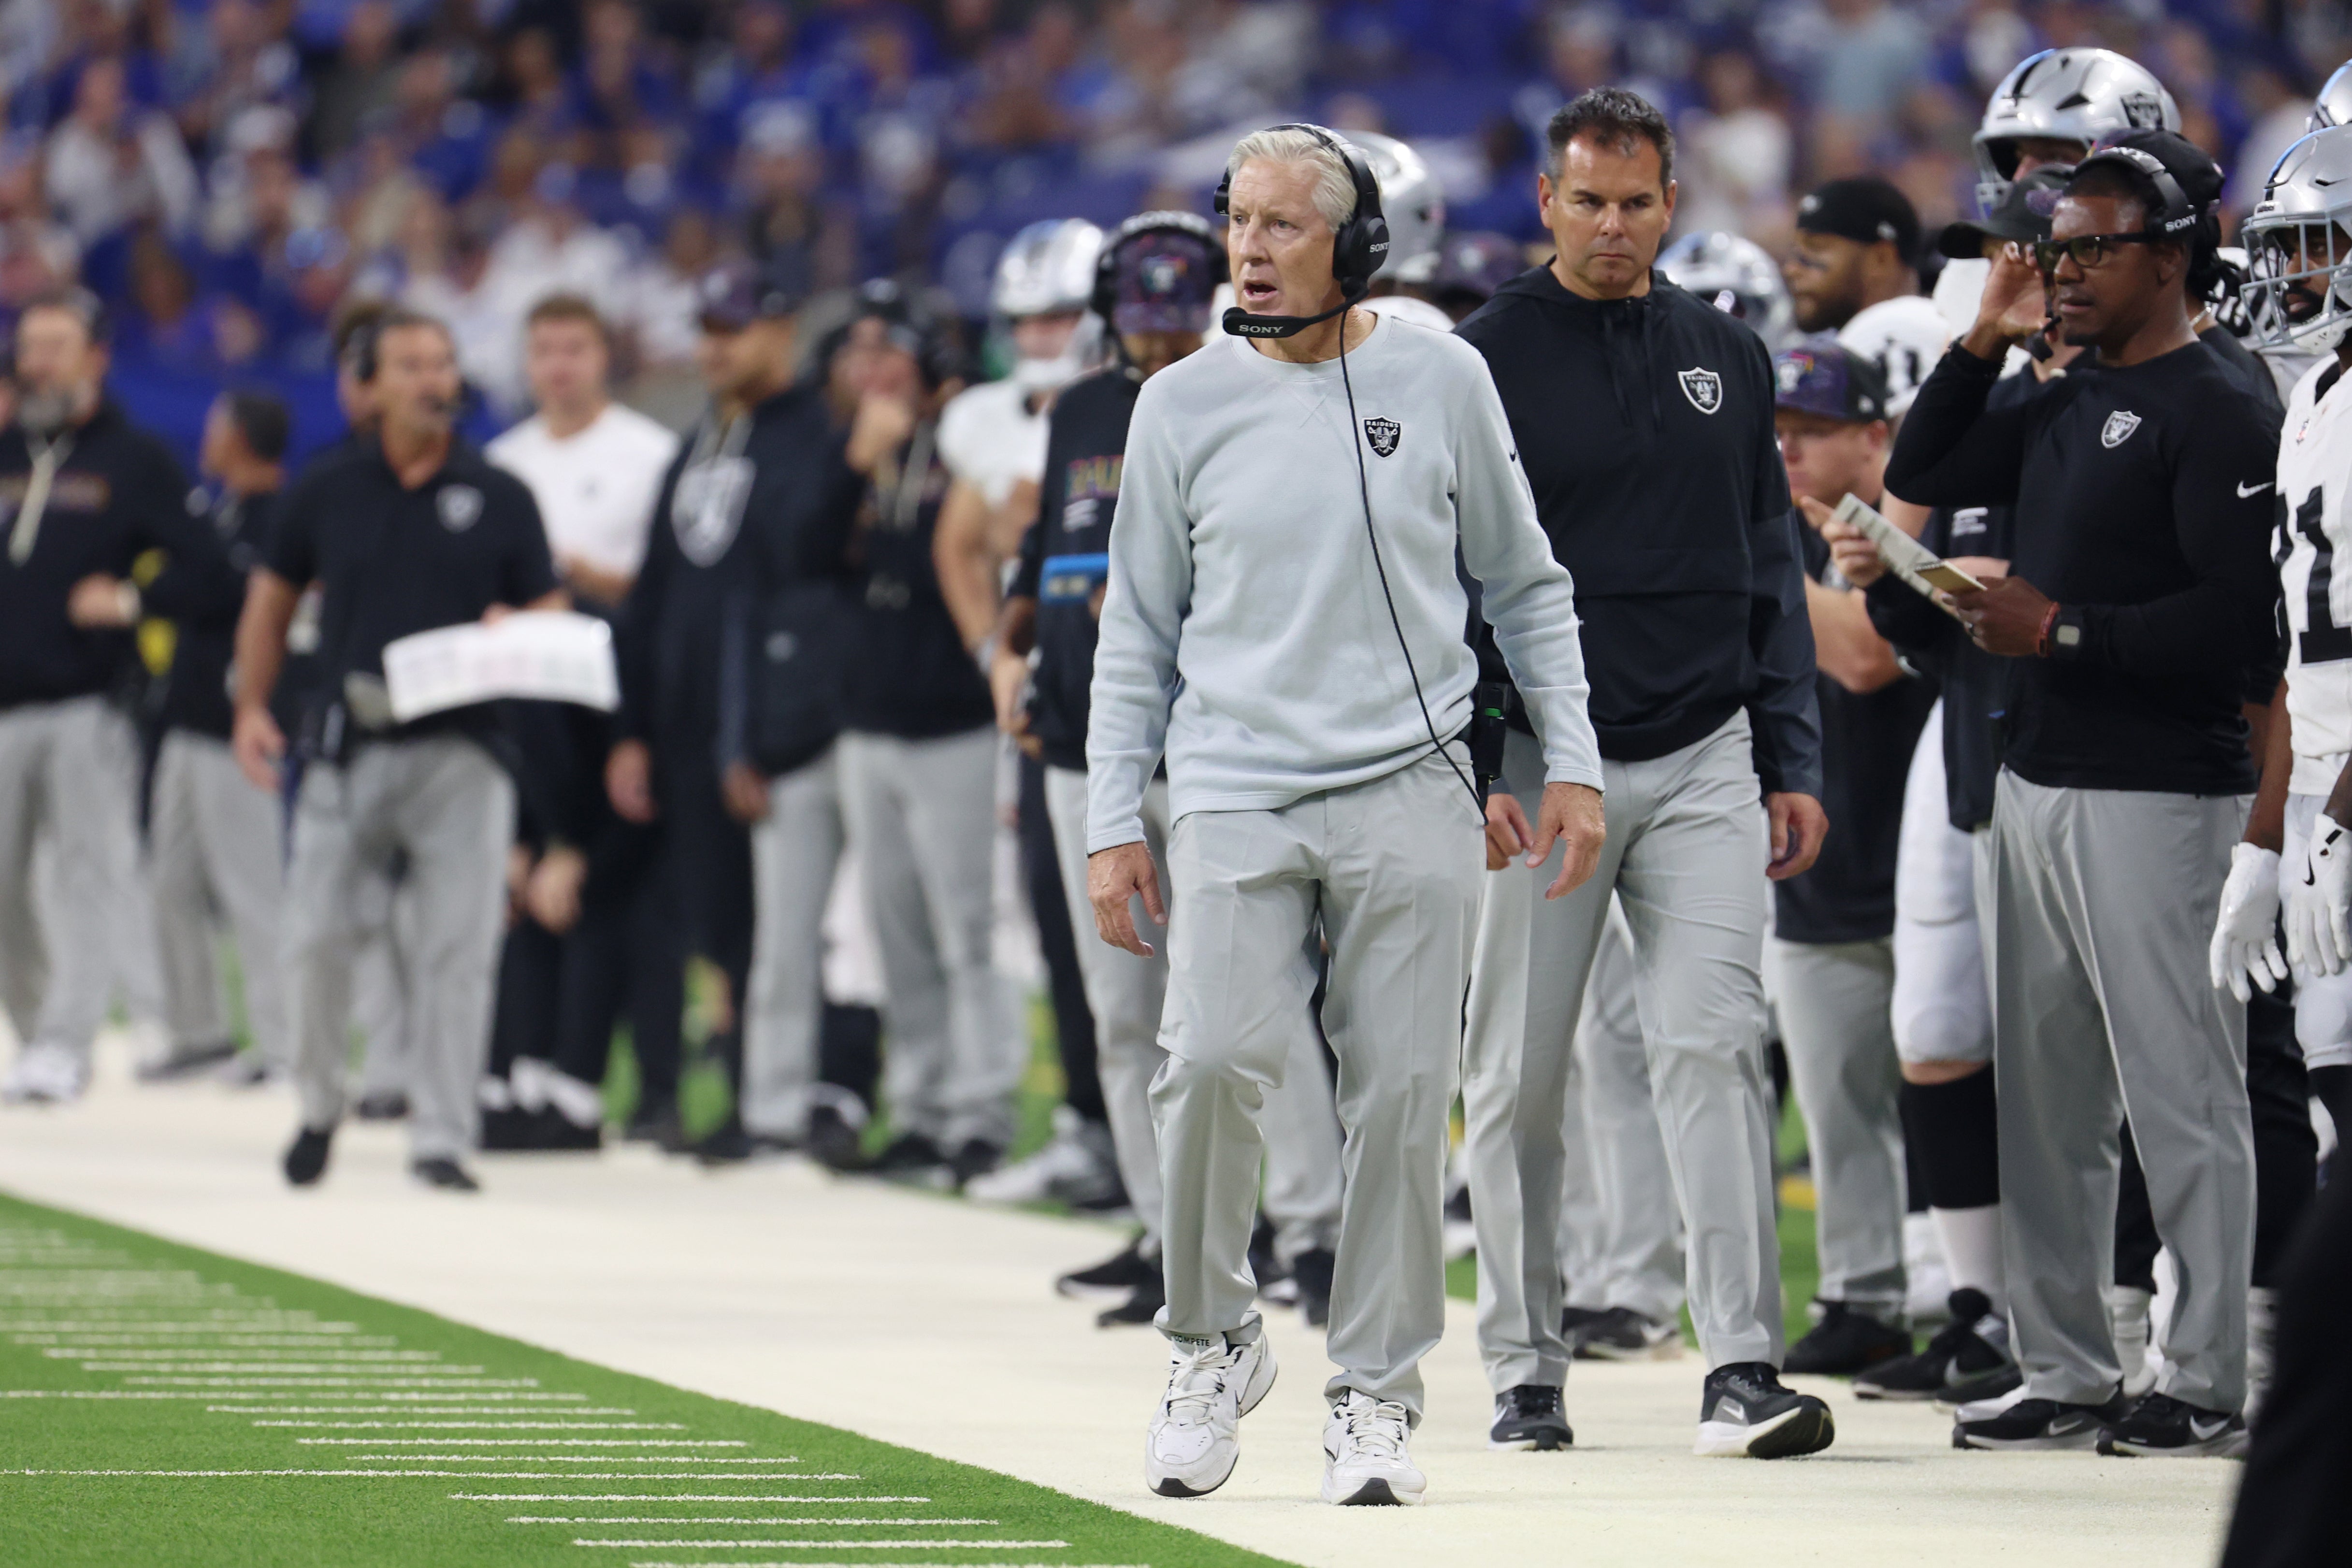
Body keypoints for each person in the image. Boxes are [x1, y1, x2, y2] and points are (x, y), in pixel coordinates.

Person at [1088, 121, 1602, 1507]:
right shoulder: (1178, 405)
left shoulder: (1442, 375)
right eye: (1237, 222)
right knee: (1205, 1061)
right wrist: (1110, 820)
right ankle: (1209, 1341)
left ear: (1355, 243)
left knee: (1402, 1095)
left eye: (1282, 226)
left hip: (1412, 778)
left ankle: (1375, 1394)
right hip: (1234, 778)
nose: (1248, 251)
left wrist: (1571, 758)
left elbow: (1524, 583)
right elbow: (1134, 633)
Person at [1455, 87, 1831, 1461]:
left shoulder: (1727, 354)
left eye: (1634, 203)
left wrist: (1789, 751)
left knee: (1714, 1046)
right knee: (1517, 1077)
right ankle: (1524, 1367)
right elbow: (1441, 579)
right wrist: (1472, 759)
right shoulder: (1478, 358)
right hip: (1540, 759)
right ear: (1546, 203)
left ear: (1671, 204)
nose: (1611, 226)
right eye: (1587, 202)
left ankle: (1740, 1364)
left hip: (1705, 747)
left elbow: (1767, 566)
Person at [1886, 144, 2279, 1456]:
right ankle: (2063, 1365)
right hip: (2036, 777)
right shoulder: (2066, 386)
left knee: (2182, 1094)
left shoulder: (2221, 404)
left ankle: (2206, 1375)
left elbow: (2238, 624)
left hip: (2161, 791)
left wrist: (2056, 629)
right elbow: (1926, 465)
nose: (2061, 272)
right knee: (2045, 1105)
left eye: (2090, 248)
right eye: (2052, 250)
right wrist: (1982, 340)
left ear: (2169, 257)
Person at [990, 210, 1344, 1330]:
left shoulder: (1257, 395)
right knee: (1121, 1008)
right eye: (1139, 323)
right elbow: (1046, 551)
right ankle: (1171, 1231)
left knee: (1255, 986)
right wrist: (1010, 650)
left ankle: (1313, 1228)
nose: (1155, 343)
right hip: (1081, 735)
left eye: (1171, 321)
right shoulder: (1081, 410)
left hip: (1210, 737)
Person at [1823, 168, 2079, 1407]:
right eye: (1993, 252)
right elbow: (1907, 553)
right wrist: (1902, 576)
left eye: (2026, 251)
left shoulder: (2148, 392)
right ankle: (1979, 1309)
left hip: (2094, 740)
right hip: (1974, 721)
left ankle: (2144, 1324)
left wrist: (2027, 595)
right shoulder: (1987, 388)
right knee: (1934, 1027)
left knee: (2095, 1062)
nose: (2003, 271)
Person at [234, 307, 563, 1193]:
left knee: (458, 950)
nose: (432, 380)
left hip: (465, 750)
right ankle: (317, 1103)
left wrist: (519, 627)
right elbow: (271, 601)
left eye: (443, 364)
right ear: (369, 386)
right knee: (311, 938)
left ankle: (442, 1136)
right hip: (352, 742)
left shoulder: (499, 492)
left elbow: (551, 610)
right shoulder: (328, 486)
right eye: (411, 365)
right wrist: (252, 706)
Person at [0, 288, 239, 1107]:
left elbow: (211, 571)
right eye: (29, 347)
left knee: (88, 879)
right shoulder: (9, 450)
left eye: (56, 347)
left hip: (89, 702)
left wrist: (136, 600)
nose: (38, 364)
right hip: (4, 704)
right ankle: (38, 1036)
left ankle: (66, 1044)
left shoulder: (134, 459)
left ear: (96, 358)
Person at [931, 217, 1125, 1210]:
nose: (1041, 335)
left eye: (1058, 314)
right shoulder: (989, 420)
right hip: (1055, 696)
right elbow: (960, 543)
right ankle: (1095, 1131)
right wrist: (993, 657)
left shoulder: (1150, 398)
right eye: (1026, 320)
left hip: (1157, 704)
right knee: (1061, 925)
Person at [659, 263, 866, 1165]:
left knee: (838, 929)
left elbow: (792, 570)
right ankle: (767, 1095)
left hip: (820, 712)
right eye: (706, 329)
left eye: (734, 328)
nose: (715, 347)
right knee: (742, 928)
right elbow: (679, 589)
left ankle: (841, 1095)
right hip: (728, 720)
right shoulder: (700, 440)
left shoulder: (818, 432)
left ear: (782, 332)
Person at [1766, 339, 1937, 1374]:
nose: (1789, 449)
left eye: (1814, 430)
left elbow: (1869, 656)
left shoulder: (1906, 530)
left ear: (1874, 436)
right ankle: (1862, 1294)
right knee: (1835, 1106)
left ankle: (1974, 1302)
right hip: (1818, 861)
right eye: (1779, 430)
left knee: (1951, 1098)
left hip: (1922, 862)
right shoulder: (1783, 535)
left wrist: (1761, 574)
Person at [482, 293, 680, 1148]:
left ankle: (643, 1089)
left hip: (620, 702)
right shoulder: (503, 462)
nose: (559, 366)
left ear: (605, 356)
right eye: (545, 351)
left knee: (632, 907)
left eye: (575, 349)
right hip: (528, 714)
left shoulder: (650, 455)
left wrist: (584, 581)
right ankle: (529, 1076)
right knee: (527, 893)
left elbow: (671, 587)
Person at [2229, 120, 2352, 1148]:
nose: (2291, 275)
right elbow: (2298, 651)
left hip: (2346, 792)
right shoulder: (2313, 394)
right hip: (2319, 781)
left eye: (2314, 244)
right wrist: (2267, 842)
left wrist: (2336, 824)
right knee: (2328, 1071)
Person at [138, 390, 295, 1087]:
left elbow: (219, 591)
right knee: (168, 882)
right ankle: (197, 1029)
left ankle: (282, 1044)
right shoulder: (215, 510)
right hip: (182, 720)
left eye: (216, 426)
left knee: (253, 887)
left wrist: (167, 589)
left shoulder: (277, 516)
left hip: (237, 727)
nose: (207, 438)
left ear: (242, 438)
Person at [1934, 47, 2180, 341]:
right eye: (2017, 158)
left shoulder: (2198, 289)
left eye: (2054, 157)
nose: (2021, 178)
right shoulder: (1971, 277)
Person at [1784, 176, 1951, 413]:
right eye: (1796, 251)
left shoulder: (1917, 339)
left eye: (1817, 248)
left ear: (1881, 259)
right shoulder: (1815, 354)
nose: (1792, 269)